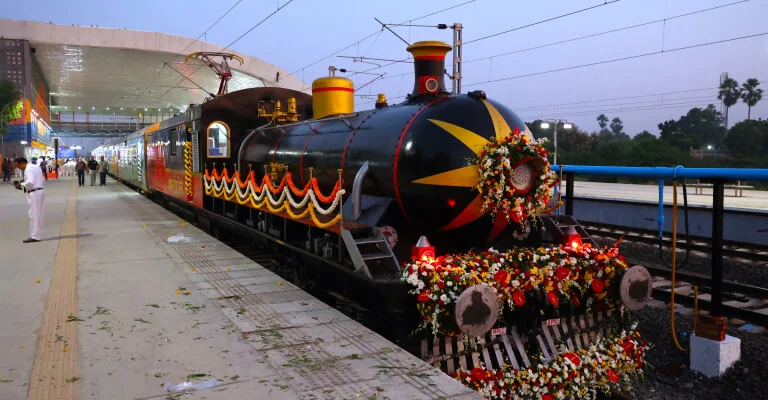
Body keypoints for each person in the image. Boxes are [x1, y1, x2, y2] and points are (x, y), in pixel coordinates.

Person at [14, 157, 45, 243]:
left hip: (34, 193)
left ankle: (35, 236)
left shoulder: (28, 169)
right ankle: (38, 234)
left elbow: (30, 182)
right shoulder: (36, 167)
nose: (18, 168)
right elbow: (43, 179)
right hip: (41, 191)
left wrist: (21, 184)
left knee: (33, 215)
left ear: (22, 163)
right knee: (39, 214)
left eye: (18, 166)